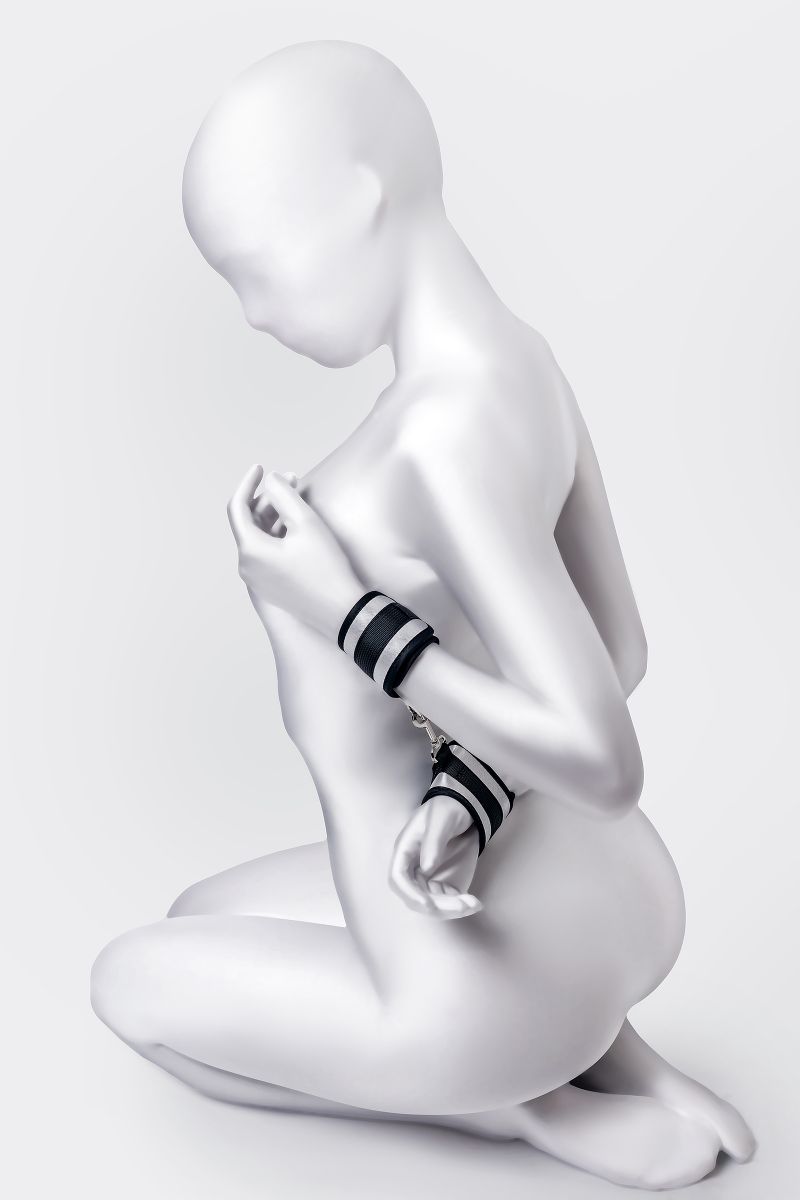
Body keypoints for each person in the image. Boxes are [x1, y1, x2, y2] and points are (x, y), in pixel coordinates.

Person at [90, 40, 755, 1189]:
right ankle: (611, 1050)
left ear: (357, 204)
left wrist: (346, 613)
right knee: (199, 911)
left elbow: (603, 760)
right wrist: (470, 795)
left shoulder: (434, 440)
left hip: (455, 991)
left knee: (130, 983)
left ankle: (524, 1110)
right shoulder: (517, 363)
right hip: (613, 895)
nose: (254, 313)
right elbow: (620, 647)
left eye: (256, 271)